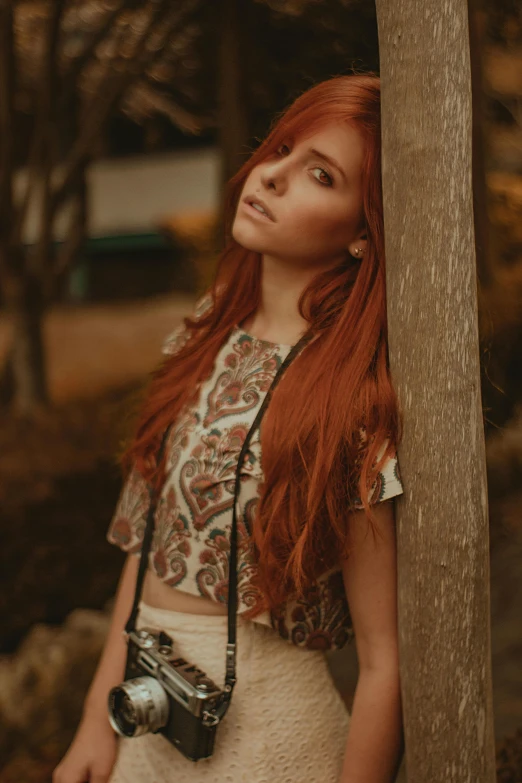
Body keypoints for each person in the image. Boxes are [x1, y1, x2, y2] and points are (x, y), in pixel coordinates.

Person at [53, 72, 405, 783]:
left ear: (365, 233)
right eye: (281, 148)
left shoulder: (351, 399)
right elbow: (144, 551)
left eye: (319, 173)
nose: (270, 176)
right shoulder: (201, 333)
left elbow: (382, 659)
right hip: (148, 716)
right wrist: (96, 722)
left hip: (271, 738)